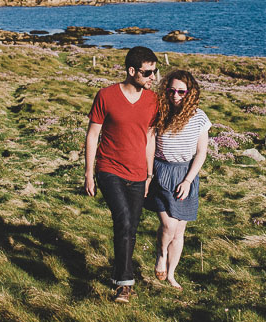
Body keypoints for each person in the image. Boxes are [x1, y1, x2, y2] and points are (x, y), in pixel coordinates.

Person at [84, 46, 159, 303]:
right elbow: (93, 135)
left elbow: (150, 138)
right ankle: (125, 284)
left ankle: (119, 275)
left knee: (130, 228)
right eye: (148, 72)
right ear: (132, 71)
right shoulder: (106, 96)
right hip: (109, 169)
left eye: (155, 71)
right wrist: (89, 173)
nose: (153, 77)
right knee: (124, 220)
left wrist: (149, 174)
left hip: (138, 173)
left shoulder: (153, 101)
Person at [146, 69, 210, 290]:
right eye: (171, 90)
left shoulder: (199, 117)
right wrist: (148, 174)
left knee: (179, 232)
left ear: (190, 93)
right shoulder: (160, 112)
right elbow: (150, 144)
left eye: (181, 92)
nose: (175, 95)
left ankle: (172, 275)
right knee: (168, 225)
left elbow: (201, 152)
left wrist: (188, 180)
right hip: (162, 172)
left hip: (185, 175)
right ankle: (161, 253)